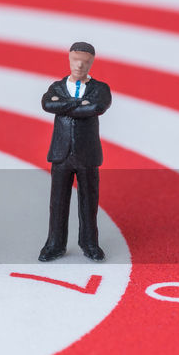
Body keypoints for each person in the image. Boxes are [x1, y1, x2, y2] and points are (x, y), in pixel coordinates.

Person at [39, 41, 112, 262]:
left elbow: (97, 107)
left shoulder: (101, 89)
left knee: (89, 202)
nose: (79, 66)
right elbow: (47, 104)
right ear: (69, 59)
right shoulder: (56, 87)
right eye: (75, 60)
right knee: (58, 202)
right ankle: (55, 244)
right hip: (61, 154)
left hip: (87, 154)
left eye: (85, 62)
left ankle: (89, 243)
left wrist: (65, 105)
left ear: (91, 63)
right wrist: (80, 104)